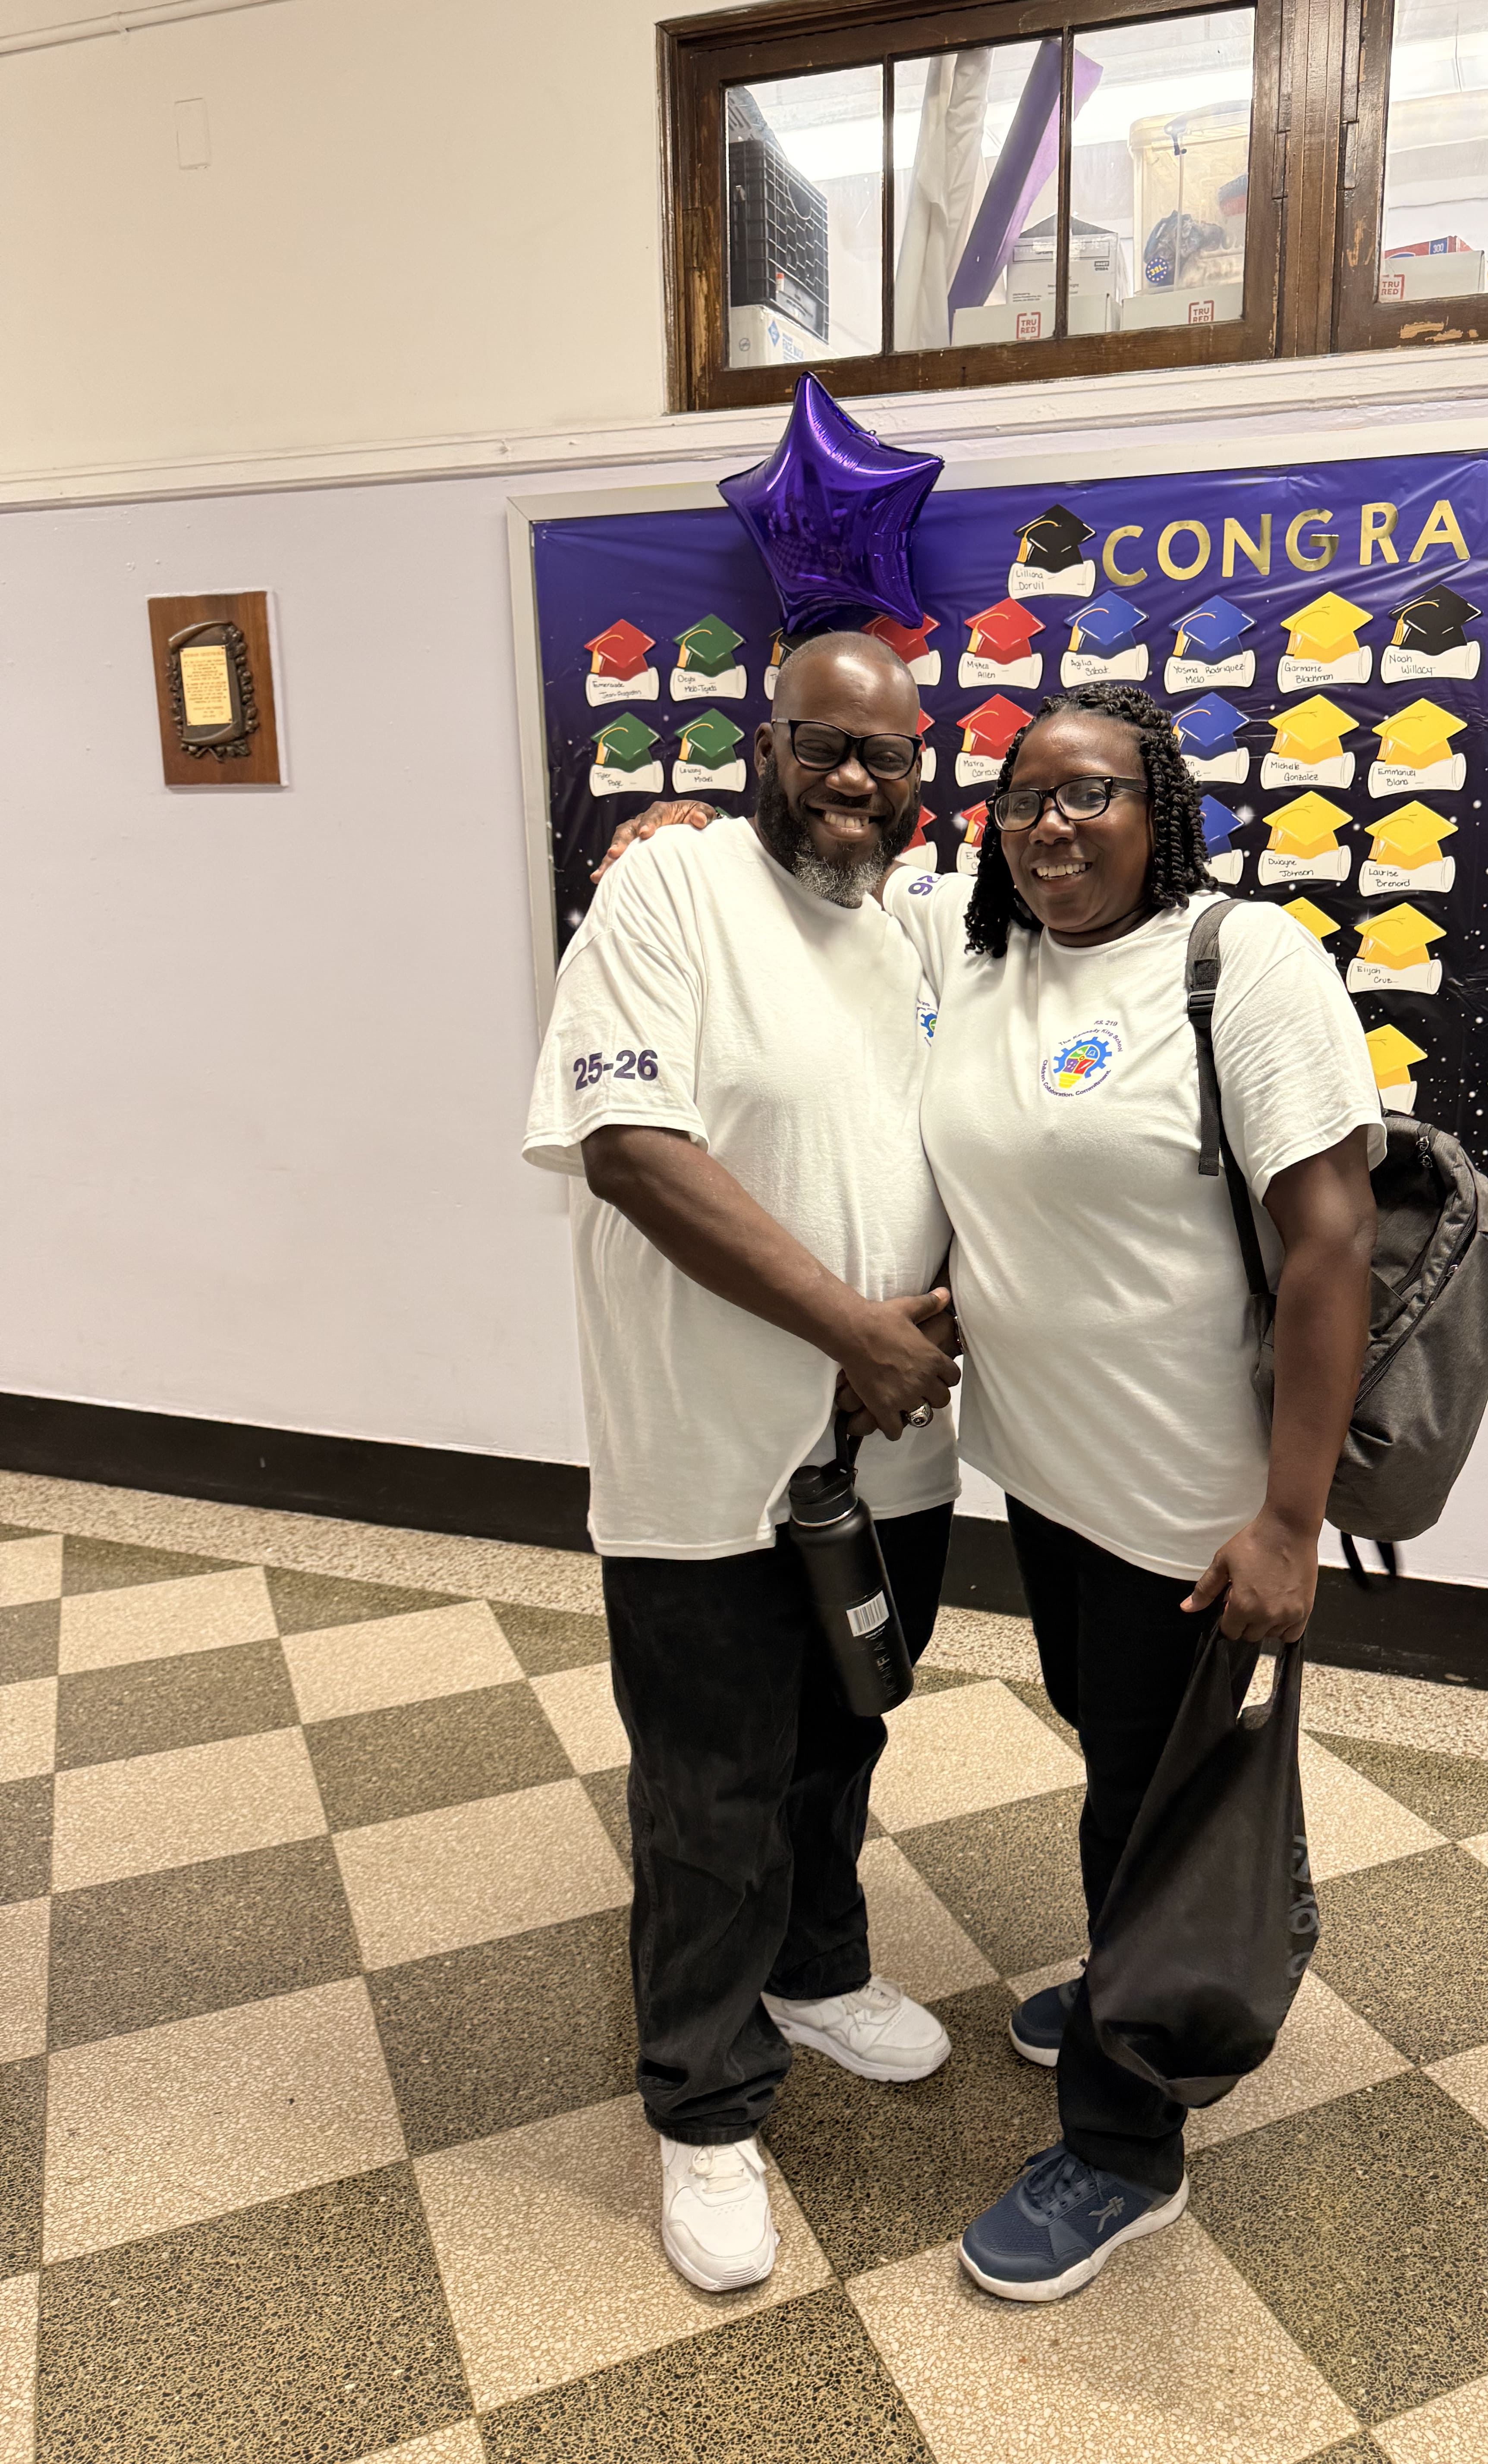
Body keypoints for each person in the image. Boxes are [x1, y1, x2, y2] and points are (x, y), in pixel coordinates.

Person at [593, 679, 1382, 2304]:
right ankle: (1067, 2003)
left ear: (1158, 809)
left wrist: (1291, 1523)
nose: (1054, 822)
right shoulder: (975, 940)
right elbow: (762, 924)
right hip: (1040, 1486)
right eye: (1025, 794)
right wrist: (679, 840)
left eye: (1094, 793)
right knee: (1093, 1770)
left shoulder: (1246, 966)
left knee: (1165, 1812)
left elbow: (1329, 1245)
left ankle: (1123, 2139)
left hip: (1190, 1497)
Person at [522, 632, 966, 2297]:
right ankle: (703, 2109)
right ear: (762, 747)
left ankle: (818, 1966)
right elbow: (632, 1152)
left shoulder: (926, 924)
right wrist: (856, 1328)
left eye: (889, 758)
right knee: (707, 1791)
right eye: (822, 748)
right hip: (704, 1461)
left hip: (890, 1459)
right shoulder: (669, 895)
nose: (855, 781)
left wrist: (916, 1341)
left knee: (842, 1736)